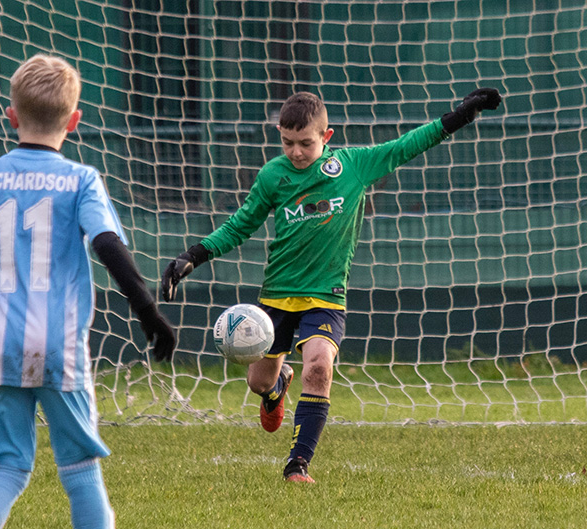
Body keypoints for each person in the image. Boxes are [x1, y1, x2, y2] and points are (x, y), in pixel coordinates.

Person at [0, 54, 175, 529]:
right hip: (58, 348)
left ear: (12, 116)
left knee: (7, 470)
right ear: (75, 120)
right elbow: (107, 245)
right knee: (81, 470)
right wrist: (149, 312)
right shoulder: (81, 179)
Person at [161, 88, 502, 483]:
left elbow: (407, 145)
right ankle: (277, 387)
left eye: (305, 143)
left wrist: (460, 116)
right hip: (276, 297)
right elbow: (241, 224)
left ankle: (297, 464)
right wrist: (193, 255)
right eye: (287, 143)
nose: (296, 152)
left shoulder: (354, 166)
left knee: (320, 368)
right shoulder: (273, 175)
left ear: (327, 136)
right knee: (259, 381)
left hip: (326, 297)